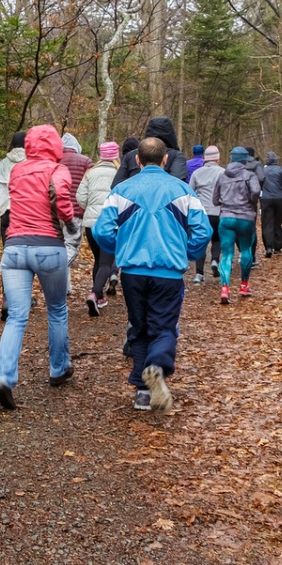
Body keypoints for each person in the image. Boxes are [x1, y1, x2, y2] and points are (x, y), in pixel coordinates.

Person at [93, 137, 211, 412]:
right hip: (168, 271)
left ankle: (142, 392)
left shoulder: (122, 190)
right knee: (164, 327)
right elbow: (203, 231)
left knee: (139, 327)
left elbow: (101, 230)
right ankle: (156, 366)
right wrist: (188, 252)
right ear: (165, 159)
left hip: (133, 271)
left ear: (137, 160)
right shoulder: (182, 190)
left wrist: (120, 248)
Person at [0, 124, 76, 410]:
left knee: (16, 316)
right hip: (48, 246)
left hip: (14, 248)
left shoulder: (17, 169)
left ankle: (4, 377)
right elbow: (62, 198)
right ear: (54, 145)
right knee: (57, 309)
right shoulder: (57, 169)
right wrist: (69, 221)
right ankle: (58, 369)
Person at [212, 146, 261, 304]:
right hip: (245, 218)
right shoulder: (250, 175)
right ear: (245, 160)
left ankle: (225, 288)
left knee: (226, 254)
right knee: (246, 250)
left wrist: (226, 203)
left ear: (232, 159)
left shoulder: (222, 176)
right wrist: (249, 202)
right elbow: (255, 192)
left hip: (226, 218)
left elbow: (215, 200)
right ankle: (244, 285)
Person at [76, 141, 120, 316]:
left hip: (91, 224)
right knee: (106, 262)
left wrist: (90, 206)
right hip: (110, 223)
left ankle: (100, 297)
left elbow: (80, 198)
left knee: (98, 260)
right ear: (116, 156)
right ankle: (95, 293)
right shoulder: (120, 174)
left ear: (101, 156)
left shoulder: (90, 173)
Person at [0, 132, 27, 321]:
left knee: (9, 256)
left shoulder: (2, 165)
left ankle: (7, 296)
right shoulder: (31, 164)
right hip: (26, 214)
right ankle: (21, 297)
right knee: (26, 256)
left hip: (6, 213)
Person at [60, 132, 94, 294]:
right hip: (76, 211)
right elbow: (92, 184)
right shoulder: (86, 161)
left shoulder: (54, 160)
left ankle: (65, 287)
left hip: (55, 212)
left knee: (60, 246)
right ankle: (55, 268)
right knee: (71, 246)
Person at [188, 145, 225, 283]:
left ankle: (199, 273)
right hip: (218, 212)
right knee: (217, 238)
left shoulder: (197, 173)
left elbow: (190, 191)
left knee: (201, 242)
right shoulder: (223, 172)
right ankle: (215, 260)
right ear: (217, 159)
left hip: (202, 213)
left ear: (205, 158)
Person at [260, 152, 282, 257]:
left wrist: (260, 190)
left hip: (266, 198)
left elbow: (259, 179)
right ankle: (278, 247)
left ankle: (269, 247)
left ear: (267, 160)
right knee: (278, 221)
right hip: (280, 198)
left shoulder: (262, 170)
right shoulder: (281, 169)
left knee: (267, 222)